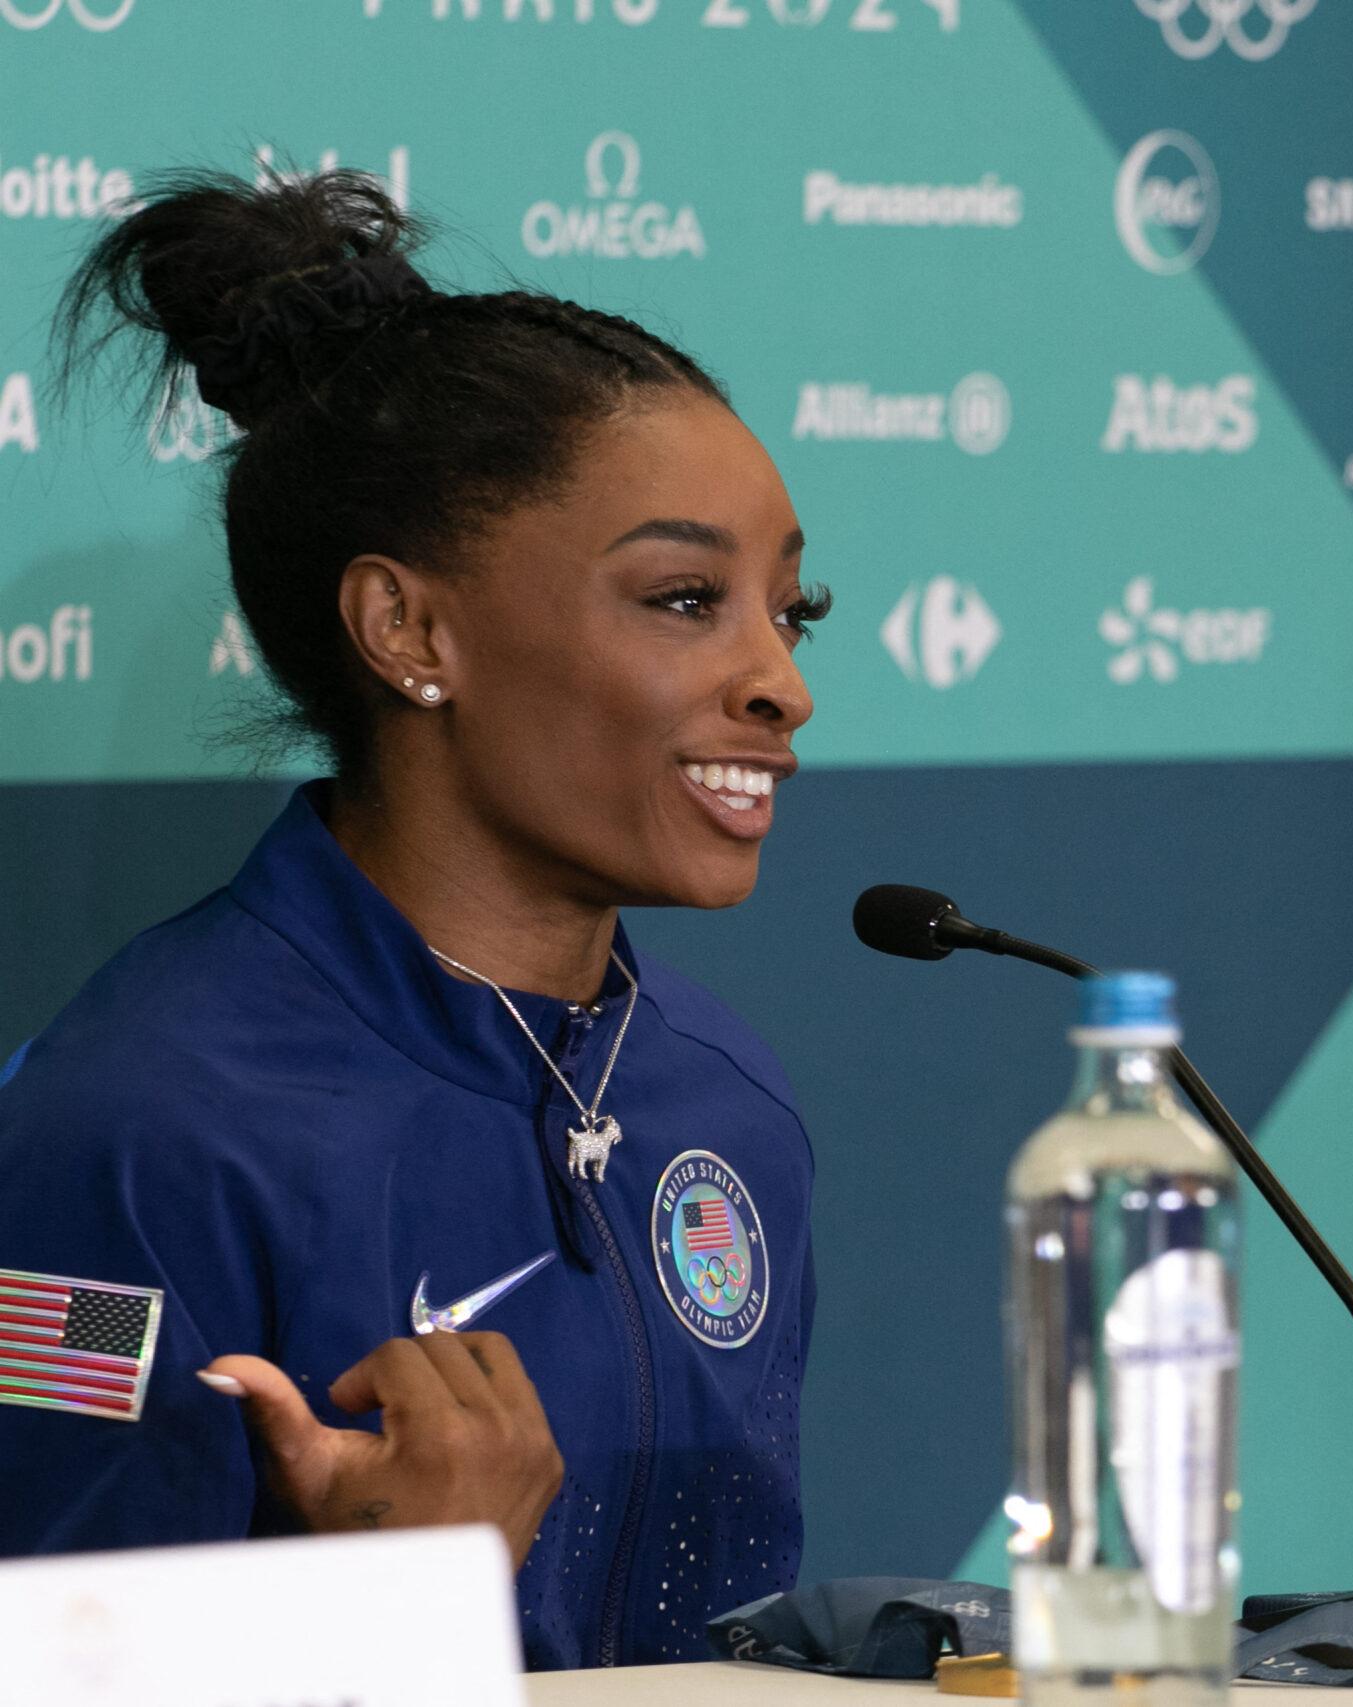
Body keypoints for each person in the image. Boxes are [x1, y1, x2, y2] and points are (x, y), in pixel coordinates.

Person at [0, 170, 829, 1668]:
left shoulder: (730, 1102)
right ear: (410, 630)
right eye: (685, 599)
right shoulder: (121, 1132)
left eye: (792, 608)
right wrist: (387, 1604)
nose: (783, 682)